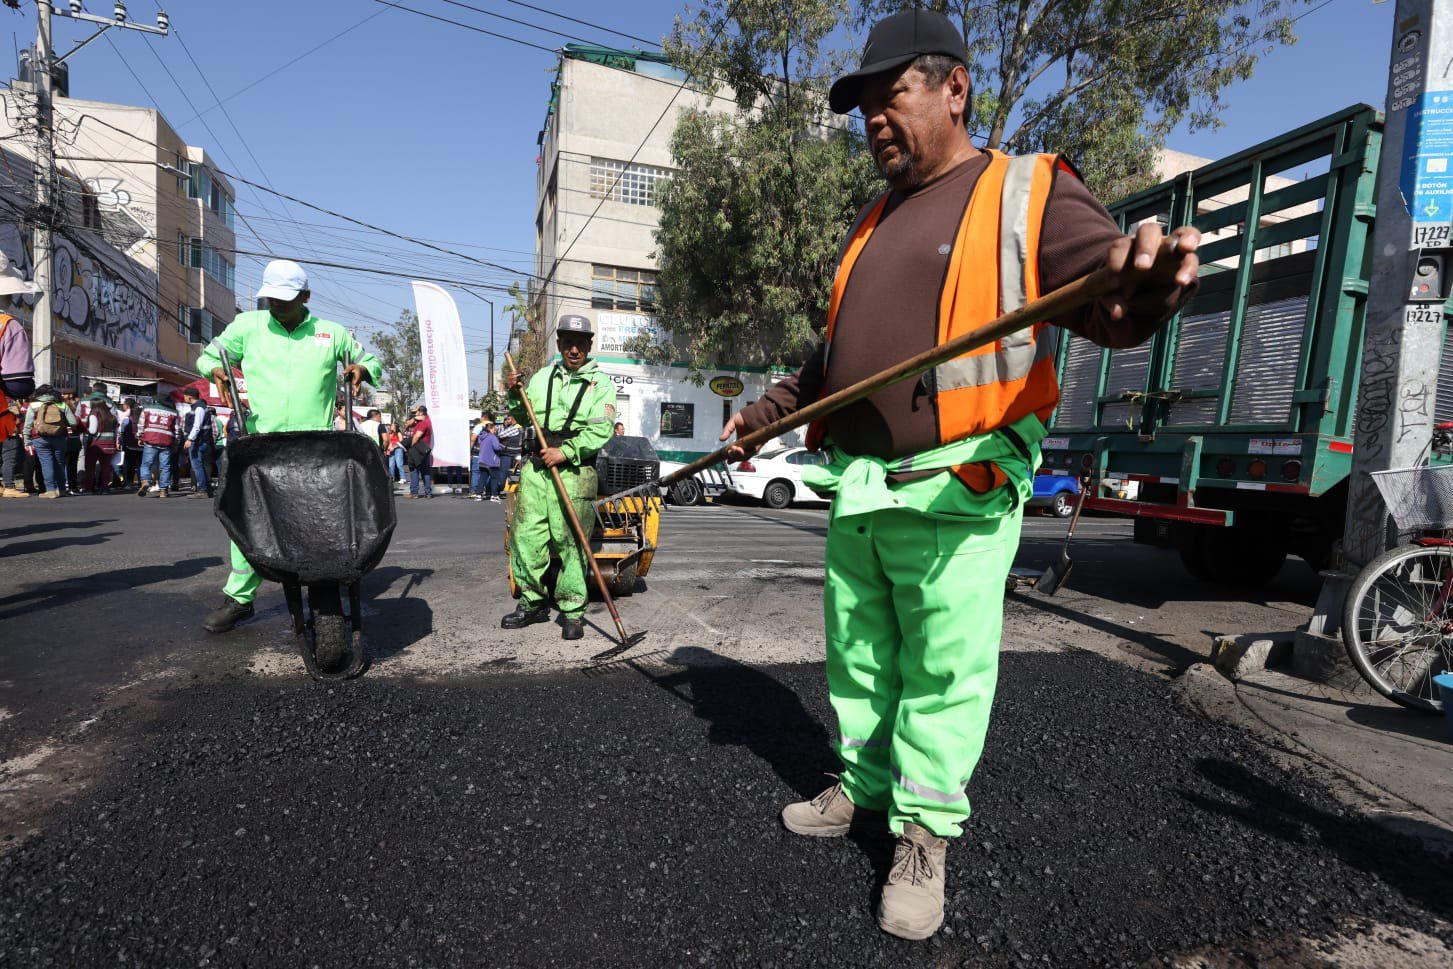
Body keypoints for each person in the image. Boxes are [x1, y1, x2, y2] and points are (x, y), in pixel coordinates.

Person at [719, 11, 1201, 941]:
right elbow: (831, 365)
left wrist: (1142, 289)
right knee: (860, 662)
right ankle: (860, 788)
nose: (871, 120)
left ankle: (925, 832)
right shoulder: (872, 224)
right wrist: (761, 416)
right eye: (861, 105)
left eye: (887, 95)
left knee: (942, 672)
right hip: (861, 486)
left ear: (954, 88)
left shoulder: (1026, 192)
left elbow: (1107, 292)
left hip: (957, 484)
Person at [196, 259, 380, 634]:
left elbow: (369, 359)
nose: (275, 305)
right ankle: (240, 598)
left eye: (285, 299)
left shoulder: (331, 333)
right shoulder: (247, 327)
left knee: (323, 522)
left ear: (306, 296)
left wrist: (362, 370)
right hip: (262, 445)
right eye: (271, 298)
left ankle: (327, 580)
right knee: (250, 520)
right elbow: (211, 354)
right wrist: (214, 368)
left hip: (319, 448)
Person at [502, 314, 617, 640]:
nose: (574, 349)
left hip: (575, 473)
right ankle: (533, 602)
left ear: (589, 345)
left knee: (572, 544)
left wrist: (565, 452)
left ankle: (572, 611)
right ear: (560, 344)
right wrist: (514, 393)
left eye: (580, 343)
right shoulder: (540, 378)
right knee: (526, 539)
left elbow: (601, 430)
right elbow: (524, 414)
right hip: (537, 473)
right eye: (568, 343)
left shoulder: (601, 384)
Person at [22, 384, 77, 498]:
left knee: (46, 463)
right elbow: (73, 422)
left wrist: (27, 441)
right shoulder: (61, 404)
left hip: (40, 438)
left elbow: (27, 426)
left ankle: (50, 490)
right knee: (60, 463)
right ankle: (61, 489)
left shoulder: (34, 405)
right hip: (60, 437)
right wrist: (61, 425)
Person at [135, 396, 180, 497]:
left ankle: (145, 481)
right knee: (165, 466)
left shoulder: (147, 409)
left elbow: (141, 425)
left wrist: (139, 437)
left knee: (146, 464)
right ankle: (163, 490)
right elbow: (177, 430)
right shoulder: (173, 412)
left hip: (150, 440)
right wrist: (176, 442)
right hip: (166, 442)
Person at [78, 384, 118, 494]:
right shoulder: (110, 405)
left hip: (93, 441)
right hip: (109, 441)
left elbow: (78, 418)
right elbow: (116, 424)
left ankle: (86, 486)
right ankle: (104, 487)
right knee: (106, 466)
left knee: (87, 464)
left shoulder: (83, 401)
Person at [181, 386, 216, 499]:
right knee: (200, 465)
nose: (184, 398)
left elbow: (197, 426)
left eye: (185, 396)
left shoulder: (199, 408)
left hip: (199, 441)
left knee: (197, 465)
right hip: (202, 440)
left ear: (189, 397)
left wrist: (190, 439)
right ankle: (206, 489)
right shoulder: (199, 407)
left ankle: (202, 490)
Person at [407, 404, 434, 499]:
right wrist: (415, 418)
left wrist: (411, 445)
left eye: (417, 412)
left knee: (414, 470)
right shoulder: (427, 420)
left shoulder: (423, 423)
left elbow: (417, 436)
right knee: (425, 472)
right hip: (425, 449)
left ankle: (414, 493)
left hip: (418, 449)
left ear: (421, 412)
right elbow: (407, 424)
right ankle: (428, 493)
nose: (415, 414)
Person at [60, 388, 83, 494]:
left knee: (61, 463)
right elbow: (80, 426)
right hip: (74, 440)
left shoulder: (58, 410)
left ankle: (62, 485)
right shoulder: (76, 412)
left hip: (61, 439)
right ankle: (72, 486)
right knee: (72, 464)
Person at [476, 420, 503, 501]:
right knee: (494, 478)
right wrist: (502, 447)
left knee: (482, 478)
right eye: (494, 428)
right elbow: (497, 447)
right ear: (490, 429)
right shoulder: (492, 437)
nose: (495, 430)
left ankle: (478, 494)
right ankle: (494, 495)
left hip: (482, 460)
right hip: (492, 461)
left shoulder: (481, 437)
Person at [117, 398, 141, 489]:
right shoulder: (141, 418)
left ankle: (129, 484)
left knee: (130, 465)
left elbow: (120, 431)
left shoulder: (126, 419)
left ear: (127, 406)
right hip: (141, 445)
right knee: (141, 465)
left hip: (129, 445)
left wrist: (119, 442)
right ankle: (141, 483)